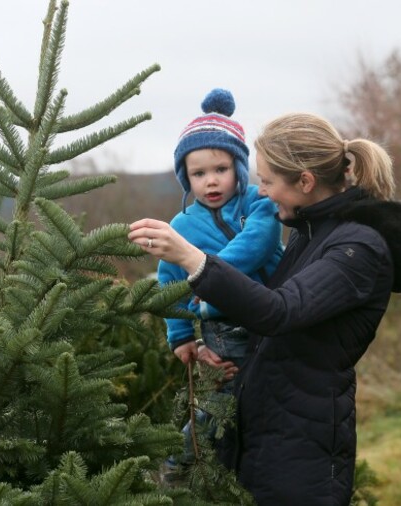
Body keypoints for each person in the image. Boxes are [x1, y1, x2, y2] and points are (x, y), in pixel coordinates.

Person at [129, 112, 401, 505]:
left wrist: (191, 257)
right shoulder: (308, 234)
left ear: (305, 181)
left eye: (268, 181)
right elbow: (257, 309)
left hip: (300, 450)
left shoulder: (357, 249)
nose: (262, 192)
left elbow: (279, 311)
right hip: (262, 431)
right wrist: (211, 346)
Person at [157, 88, 282, 474]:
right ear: (186, 178)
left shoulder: (257, 204)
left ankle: (249, 470)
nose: (211, 181)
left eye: (220, 170)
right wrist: (180, 338)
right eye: (198, 174)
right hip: (221, 330)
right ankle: (178, 467)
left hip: (269, 316)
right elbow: (171, 283)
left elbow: (257, 245)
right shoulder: (182, 226)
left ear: (239, 169)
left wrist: (211, 272)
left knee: (266, 400)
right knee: (219, 404)